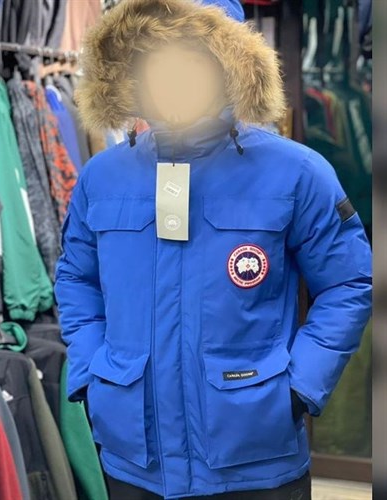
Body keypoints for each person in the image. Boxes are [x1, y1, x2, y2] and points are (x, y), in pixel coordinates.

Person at [54, 0, 372, 498]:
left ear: (231, 65)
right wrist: (93, 370)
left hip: (254, 457)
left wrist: (298, 387)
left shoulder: (296, 172)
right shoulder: (103, 177)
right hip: (135, 458)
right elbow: (77, 277)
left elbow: (349, 282)